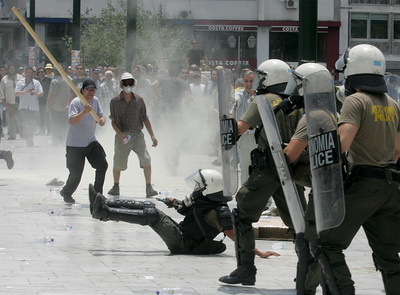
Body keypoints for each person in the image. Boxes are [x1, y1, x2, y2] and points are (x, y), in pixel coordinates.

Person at [316, 44, 400, 295]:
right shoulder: (393, 104)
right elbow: (397, 152)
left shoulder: (355, 101)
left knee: (327, 244)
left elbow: (342, 144)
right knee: (388, 255)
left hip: (363, 183)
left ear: (352, 71)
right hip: (391, 187)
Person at [219, 59, 306, 286]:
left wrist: (224, 125)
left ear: (269, 78)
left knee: (242, 215)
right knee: (300, 223)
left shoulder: (263, 100)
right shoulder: (295, 102)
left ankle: (245, 270)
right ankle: (307, 272)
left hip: (268, 168)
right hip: (292, 168)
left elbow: (239, 129)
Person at [90, 169, 280, 258]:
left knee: (152, 215)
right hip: (183, 236)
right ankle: (105, 203)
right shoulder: (206, 201)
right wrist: (176, 204)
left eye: (200, 186)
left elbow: (237, 238)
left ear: (209, 188)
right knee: (150, 207)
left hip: (185, 244)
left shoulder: (220, 212)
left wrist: (259, 253)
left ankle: (104, 212)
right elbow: (189, 212)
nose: (196, 188)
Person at [107, 72, 158, 198]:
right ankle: (115, 186)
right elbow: (113, 122)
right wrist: (120, 135)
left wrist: (152, 135)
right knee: (118, 161)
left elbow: (145, 118)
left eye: (130, 83)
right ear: (121, 85)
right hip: (122, 135)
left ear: (134, 84)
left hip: (137, 135)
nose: (128, 85)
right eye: (125, 83)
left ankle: (149, 187)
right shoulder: (115, 101)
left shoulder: (139, 100)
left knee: (146, 159)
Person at [59, 79, 108, 204]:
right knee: (76, 175)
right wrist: (85, 112)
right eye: (89, 89)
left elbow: (101, 115)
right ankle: (66, 192)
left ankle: (97, 194)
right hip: (75, 144)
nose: (91, 92)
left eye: (93, 90)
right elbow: (72, 121)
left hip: (90, 141)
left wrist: (102, 120)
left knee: (102, 165)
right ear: (82, 90)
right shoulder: (75, 102)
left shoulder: (95, 101)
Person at [233, 70, 257, 185]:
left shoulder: (261, 96)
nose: (249, 84)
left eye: (251, 81)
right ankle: (245, 197)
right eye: (246, 81)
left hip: (260, 137)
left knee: (261, 169)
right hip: (245, 137)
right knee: (245, 168)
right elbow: (234, 101)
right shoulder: (239, 95)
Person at [15, 67, 43, 146]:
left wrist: (36, 93)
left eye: (31, 73)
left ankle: (30, 136)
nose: (29, 74)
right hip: (23, 107)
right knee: (24, 124)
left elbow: (41, 93)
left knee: (34, 124)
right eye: (28, 73)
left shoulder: (36, 83)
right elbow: (16, 93)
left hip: (34, 107)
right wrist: (25, 91)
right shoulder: (20, 82)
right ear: (25, 73)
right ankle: (28, 138)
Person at [46, 67, 70, 146]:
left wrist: (48, 105)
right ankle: (65, 141)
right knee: (64, 126)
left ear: (55, 73)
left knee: (54, 125)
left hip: (55, 107)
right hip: (64, 107)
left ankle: (55, 141)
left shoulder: (54, 82)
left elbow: (53, 94)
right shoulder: (67, 80)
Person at [0, 65, 23, 140]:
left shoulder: (20, 78)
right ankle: (12, 135)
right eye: (10, 69)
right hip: (9, 102)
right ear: (8, 70)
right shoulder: (4, 79)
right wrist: (3, 100)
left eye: (13, 69)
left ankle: (23, 134)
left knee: (21, 119)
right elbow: (2, 91)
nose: (12, 70)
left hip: (19, 102)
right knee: (11, 120)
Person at [36, 67, 52, 135]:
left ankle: (49, 131)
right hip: (39, 101)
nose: (40, 73)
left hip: (47, 100)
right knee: (40, 116)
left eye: (42, 72)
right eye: (39, 72)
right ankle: (41, 130)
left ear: (45, 73)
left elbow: (51, 90)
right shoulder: (37, 81)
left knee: (47, 116)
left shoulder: (49, 80)